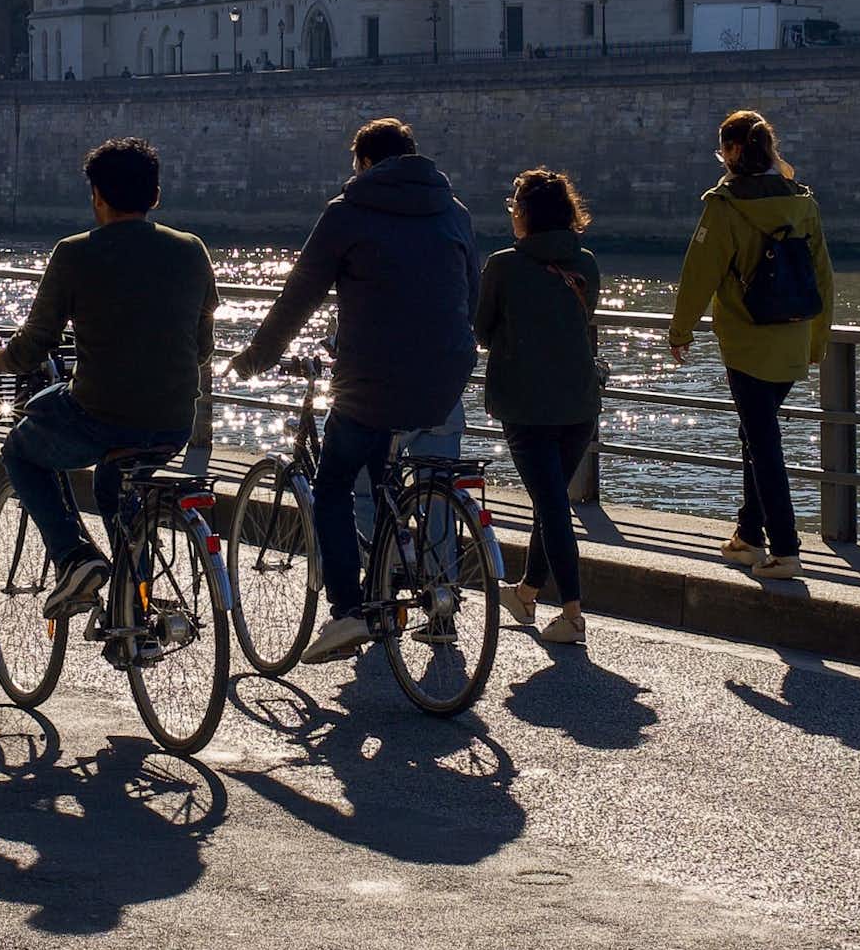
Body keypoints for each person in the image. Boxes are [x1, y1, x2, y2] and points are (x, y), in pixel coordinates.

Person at [231, 117, 481, 662]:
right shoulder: (455, 212)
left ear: (366, 164)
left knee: (333, 488)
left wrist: (255, 358)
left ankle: (348, 611)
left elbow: (299, 296)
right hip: (444, 380)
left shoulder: (348, 213)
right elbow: (474, 299)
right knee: (418, 475)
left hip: (370, 383)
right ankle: (431, 595)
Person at [0, 137, 218, 626]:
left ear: (97, 195)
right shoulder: (192, 251)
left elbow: (32, 348)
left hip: (100, 414)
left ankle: (74, 558)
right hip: (172, 419)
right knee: (115, 486)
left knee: (20, 448)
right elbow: (203, 346)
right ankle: (133, 607)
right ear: (155, 195)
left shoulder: (75, 253)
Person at [666, 107, 832, 584]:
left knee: (763, 441)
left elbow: (699, 273)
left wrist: (680, 331)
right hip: (793, 339)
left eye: (722, 150)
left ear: (734, 151)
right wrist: (817, 340)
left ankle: (785, 548)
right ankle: (747, 537)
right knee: (755, 435)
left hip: (746, 341)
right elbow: (824, 277)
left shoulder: (724, 206)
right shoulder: (803, 203)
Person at [476, 167, 602, 646]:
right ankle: (527, 592)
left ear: (524, 213)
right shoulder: (585, 262)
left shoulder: (503, 265)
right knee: (550, 502)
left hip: (526, 403)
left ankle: (571, 614)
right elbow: (582, 316)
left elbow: (481, 330)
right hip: (578, 402)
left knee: (551, 506)